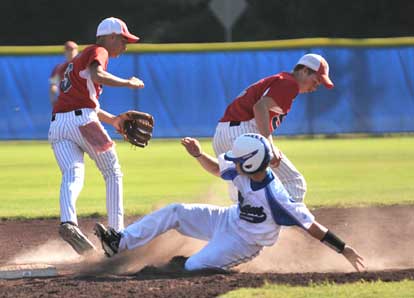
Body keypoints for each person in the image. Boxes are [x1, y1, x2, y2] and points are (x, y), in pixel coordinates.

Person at [94, 134, 365, 272]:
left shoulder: (277, 197)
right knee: (176, 211)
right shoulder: (244, 169)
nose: (232, 161)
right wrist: (198, 155)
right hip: (226, 219)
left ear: (250, 162)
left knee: (192, 267)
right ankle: (121, 242)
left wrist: (345, 250)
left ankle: (190, 265)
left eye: (237, 158)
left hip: (243, 243)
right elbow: (215, 169)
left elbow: (313, 227)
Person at [48, 17, 146, 255]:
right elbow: (98, 74)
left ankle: (68, 222)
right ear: (111, 37)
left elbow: (84, 103)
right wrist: (127, 82)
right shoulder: (98, 50)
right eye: (123, 40)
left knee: (72, 173)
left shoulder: (76, 63)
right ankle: (117, 234)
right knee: (112, 172)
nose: (125, 46)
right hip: (84, 123)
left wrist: (113, 120)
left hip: (58, 126)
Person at [213, 53, 334, 203]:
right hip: (242, 133)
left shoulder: (282, 80)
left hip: (223, 135)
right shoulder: (289, 83)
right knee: (294, 183)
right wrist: (269, 145)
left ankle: (246, 224)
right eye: (316, 81)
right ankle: (278, 222)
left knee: (244, 194)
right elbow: (260, 107)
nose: (316, 86)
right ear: (304, 71)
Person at [49, 41, 79, 107]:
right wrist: (54, 102)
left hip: (81, 101)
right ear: (64, 52)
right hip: (66, 102)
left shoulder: (82, 67)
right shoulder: (59, 68)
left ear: (77, 51)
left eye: (72, 49)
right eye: (68, 49)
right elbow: (53, 86)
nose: (71, 52)